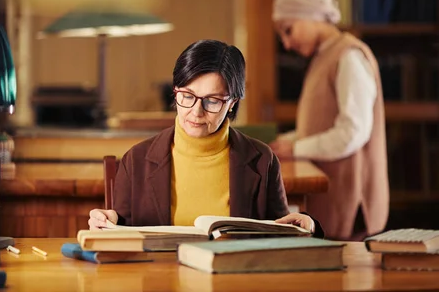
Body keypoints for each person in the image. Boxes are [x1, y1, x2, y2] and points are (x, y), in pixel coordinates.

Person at [88, 39, 323, 237]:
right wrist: (108, 222)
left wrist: (307, 226)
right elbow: (122, 231)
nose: (196, 112)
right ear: (175, 90)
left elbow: (282, 234)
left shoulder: (262, 161)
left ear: (232, 103)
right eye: (187, 96)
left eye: (212, 100)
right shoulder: (136, 160)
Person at [268, 0, 389, 241]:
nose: (286, 44)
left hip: (350, 196)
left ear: (310, 16)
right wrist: (288, 142)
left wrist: (297, 149)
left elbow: (352, 132)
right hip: (332, 193)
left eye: (288, 30)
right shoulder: (324, 57)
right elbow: (320, 124)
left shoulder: (348, 56)